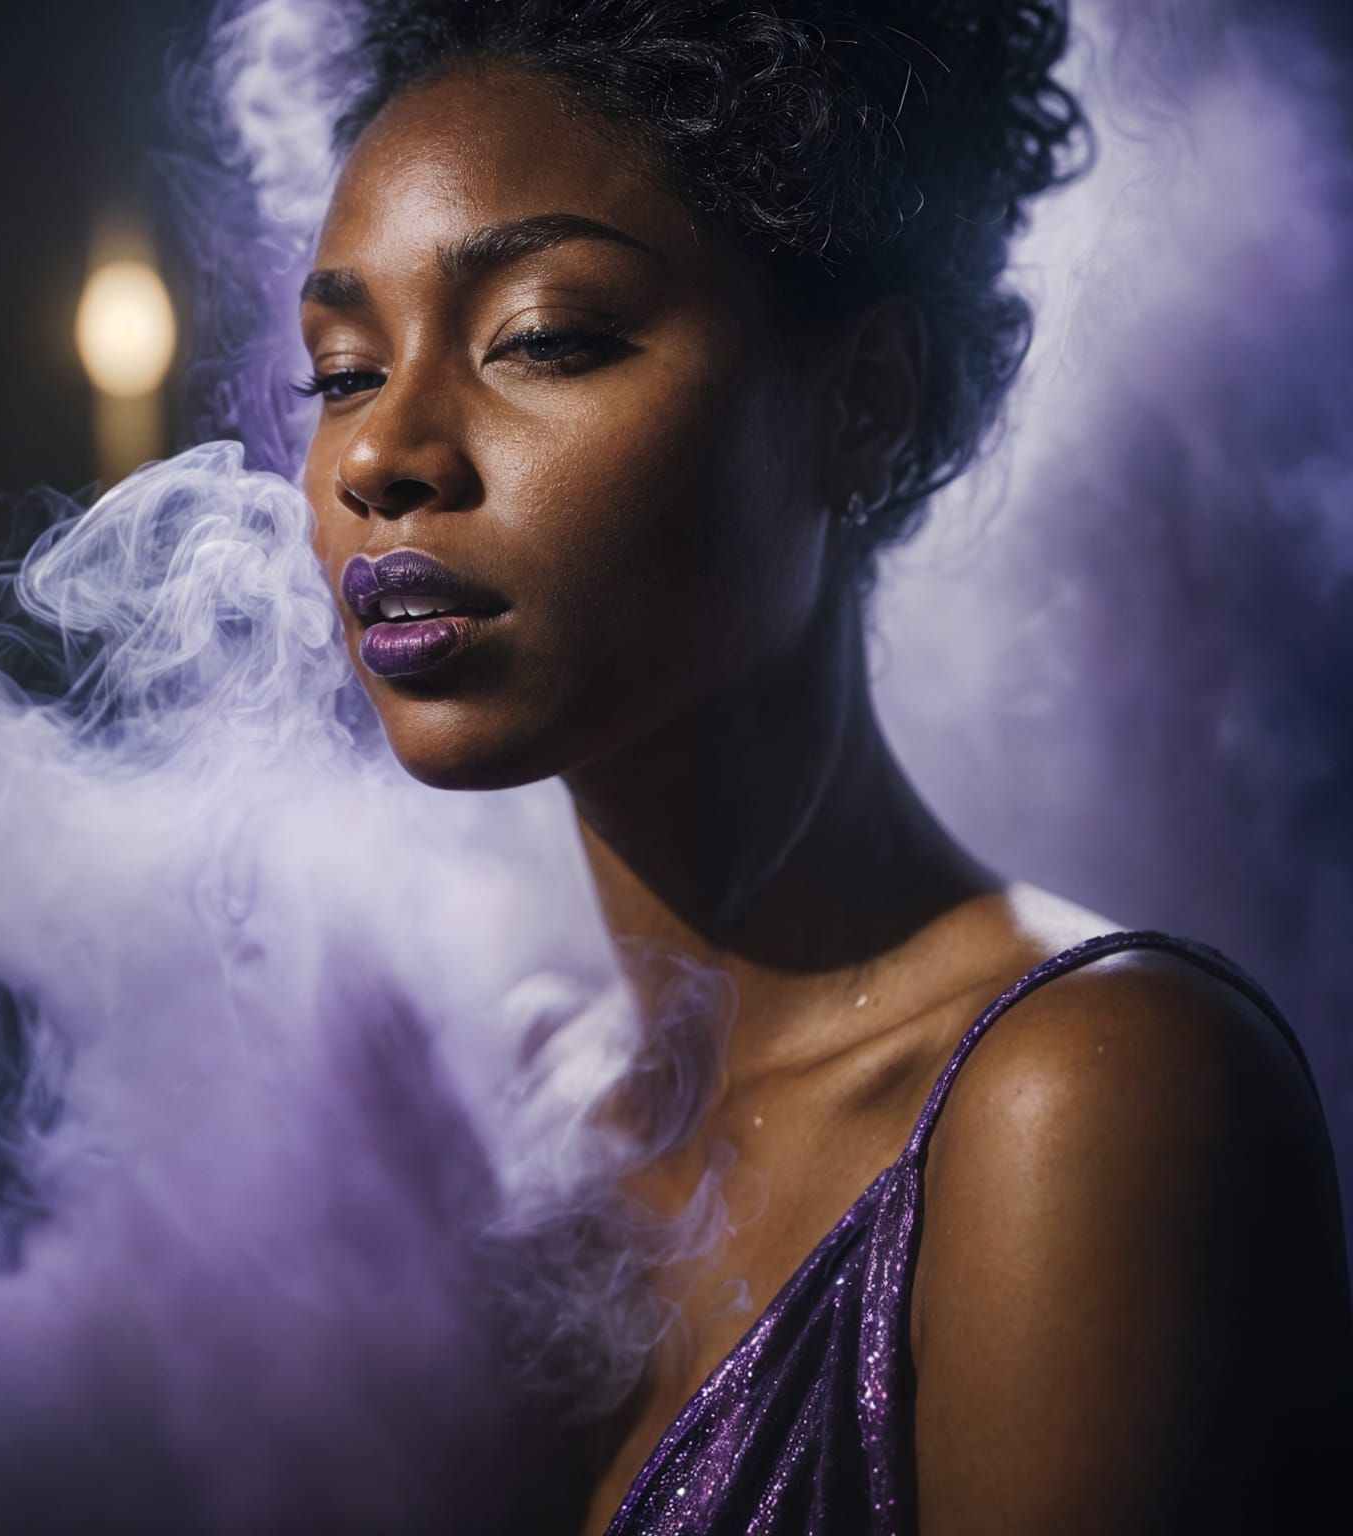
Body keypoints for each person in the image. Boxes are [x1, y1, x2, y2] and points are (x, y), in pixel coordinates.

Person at [296, 2, 1353, 1532]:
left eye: (541, 337)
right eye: (342, 366)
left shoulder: (1085, 1101)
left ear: (868, 404)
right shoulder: (518, 1119)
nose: (379, 456)